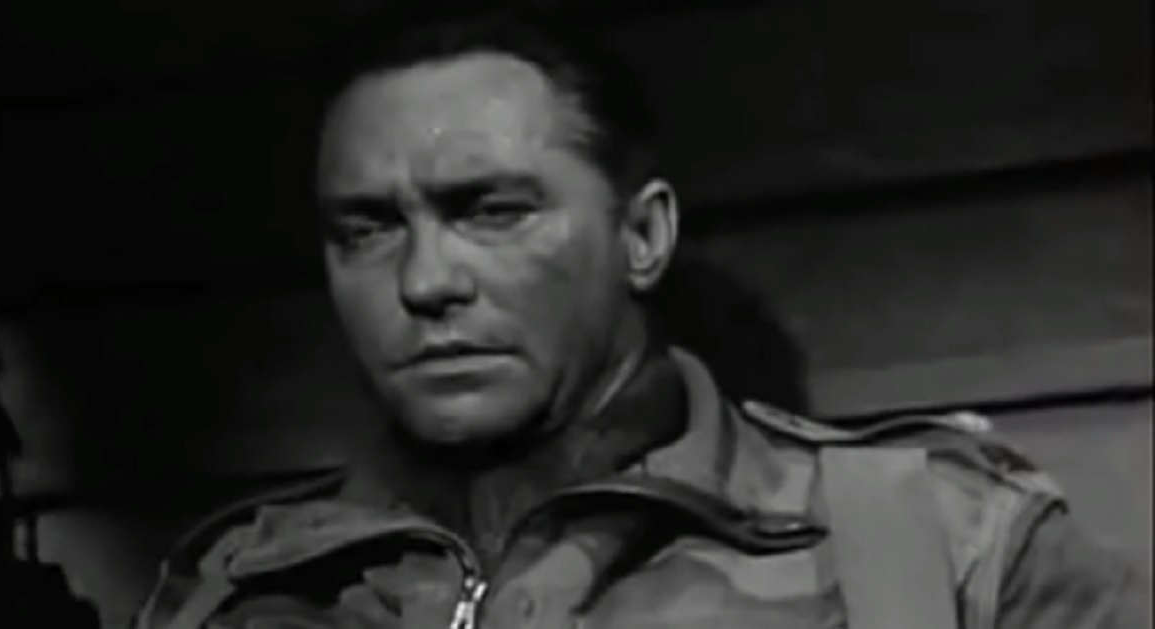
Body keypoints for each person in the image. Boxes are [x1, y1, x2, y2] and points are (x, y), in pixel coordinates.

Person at [134, 7, 1144, 629]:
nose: (425, 279)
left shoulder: (937, 542)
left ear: (643, 235)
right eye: (366, 228)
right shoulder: (238, 585)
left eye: (491, 210)